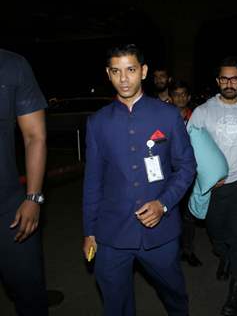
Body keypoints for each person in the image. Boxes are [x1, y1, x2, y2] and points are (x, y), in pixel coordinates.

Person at [82, 44, 196, 315]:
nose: (124, 78)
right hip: (111, 234)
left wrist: (163, 204)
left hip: (160, 232)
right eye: (116, 71)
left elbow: (187, 167)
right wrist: (89, 231)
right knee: (115, 304)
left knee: (175, 297)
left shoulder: (168, 115)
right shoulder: (97, 123)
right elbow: (93, 181)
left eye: (130, 70)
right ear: (108, 74)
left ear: (143, 72)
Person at [187, 56, 237, 316]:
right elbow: (190, 148)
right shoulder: (203, 111)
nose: (229, 83)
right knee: (216, 233)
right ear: (218, 81)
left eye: (235, 78)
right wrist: (204, 176)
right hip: (213, 186)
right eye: (225, 78)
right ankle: (225, 255)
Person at [0, 49, 48, 315]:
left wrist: (33, 198)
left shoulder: (12, 66)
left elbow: (34, 137)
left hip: (8, 208)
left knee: (30, 296)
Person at [169, 79, 202, 267]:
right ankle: (172, 252)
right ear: (171, 98)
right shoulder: (163, 116)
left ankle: (188, 251)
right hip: (170, 173)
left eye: (183, 94)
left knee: (189, 214)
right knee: (170, 212)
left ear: (188, 97)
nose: (180, 97)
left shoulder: (198, 116)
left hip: (192, 172)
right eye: (176, 94)